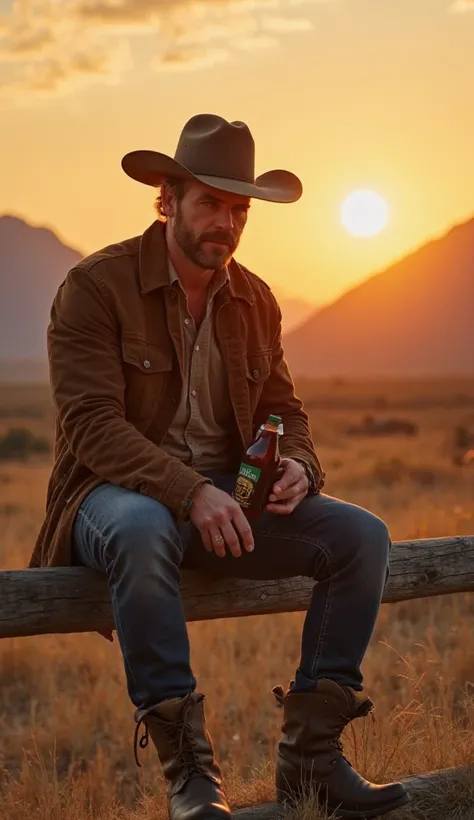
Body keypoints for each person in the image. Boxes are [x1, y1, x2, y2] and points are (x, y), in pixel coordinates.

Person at [29, 114, 409, 820]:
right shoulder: (95, 287)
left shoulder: (255, 299)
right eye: (210, 203)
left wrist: (298, 462)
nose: (225, 223)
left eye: (239, 210)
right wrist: (189, 491)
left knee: (363, 537)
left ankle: (313, 761)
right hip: (112, 499)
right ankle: (191, 776)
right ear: (167, 200)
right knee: (143, 526)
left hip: (230, 506)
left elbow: (285, 410)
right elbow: (90, 426)